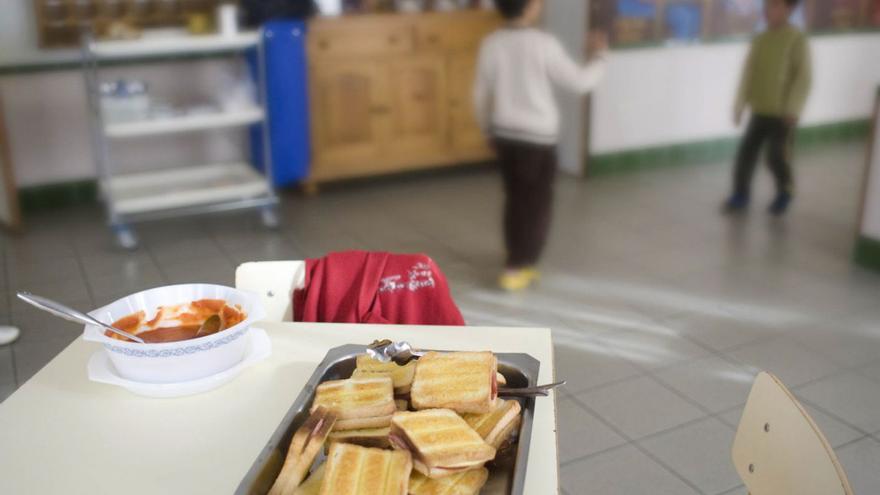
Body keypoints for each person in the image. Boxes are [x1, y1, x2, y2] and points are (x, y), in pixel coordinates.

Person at [474, 0, 608, 291]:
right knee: (536, 206)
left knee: (515, 199)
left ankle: (515, 257)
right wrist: (599, 57)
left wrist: (487, 130)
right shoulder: (543, 44)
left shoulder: (492, 43)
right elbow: (580, 82)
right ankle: (519, 266)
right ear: (530, 6)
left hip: (505, 135)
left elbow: (480, 93)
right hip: (538, 139)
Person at [724, 0, 812, 216]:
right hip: (759, 110)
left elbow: (803, 78)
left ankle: (785, 190)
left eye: (774, 6)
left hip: (783, 114)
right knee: (746, 154)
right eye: (766, 6)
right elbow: (748, 74)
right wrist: (739, 104)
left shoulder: (796, 39)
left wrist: (793, 108)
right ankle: (741, 194)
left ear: (788, 10)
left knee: (776, 156)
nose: (768, 11)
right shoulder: (760, 40)